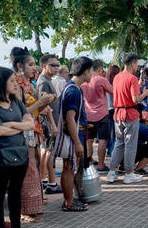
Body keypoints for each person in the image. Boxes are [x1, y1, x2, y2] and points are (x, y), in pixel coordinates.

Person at [0, 67, 35, 228]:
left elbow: (30, 124)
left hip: (20, 152)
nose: (16, 84)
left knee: (16, 192)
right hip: (0, 155)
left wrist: (11, 124)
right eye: (12, 81)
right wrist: (18, 125)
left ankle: (16, 227)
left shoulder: (17, 102)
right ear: (1, 83)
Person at [15, 48, 55, 223]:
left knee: (35, 168)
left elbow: (35, 108)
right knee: (29, 171)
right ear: (19, 66)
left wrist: (45, 103)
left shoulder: (30, 84)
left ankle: (34, 207)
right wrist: (40, 103)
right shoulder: (16, 84)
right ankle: (26, 211)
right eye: (30, 64)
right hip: (24, 132)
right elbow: (19, 113)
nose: (34, 68)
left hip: (35, 130)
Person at [52, 56, 93, 212]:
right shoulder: (73, 90)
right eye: (92, 72)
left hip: (72, 134)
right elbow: (69, 118)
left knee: (69, 168)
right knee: (68, 168)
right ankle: (68, 202)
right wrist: (78, 143)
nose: (92, 75)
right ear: (86, 71)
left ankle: (69, 199)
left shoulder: (72, 87)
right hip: (70, 136)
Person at [106, 53, 148, 184]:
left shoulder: (117, 77)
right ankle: (129, 173)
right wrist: (145, 93)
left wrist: (138, 85)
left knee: (119, 144)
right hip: (130, 114)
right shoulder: (131, 78)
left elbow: (124, 90)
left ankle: (112, 172)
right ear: (133, 63)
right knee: (130, 145)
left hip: (118, 113)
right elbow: (135, 99)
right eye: (137, 63)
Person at [81, 59, 113, 173]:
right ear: (99, 68)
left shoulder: (84, 81)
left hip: (88, 114)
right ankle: (100, 165)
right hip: (102, 114)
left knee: (89, 140)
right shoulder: (101, 79)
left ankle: (88, 162)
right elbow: (113, 91)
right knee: (102, 141)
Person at [37, 54, 62, 195]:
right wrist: (53, 125)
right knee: (49, 152)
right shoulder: (44, 82)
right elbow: (45, 108)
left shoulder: (47, 80)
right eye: (53, 65)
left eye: (57, 65)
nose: (56, 67)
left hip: (49, 123)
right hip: (48, 123)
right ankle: (51, 182)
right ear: (44, 66)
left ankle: (45, 179)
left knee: (46, 151)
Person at [105, 65, 120, 156]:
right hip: (114, 109)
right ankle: (112, 150)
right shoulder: (115, 83)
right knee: (114, 133)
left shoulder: (105, 81)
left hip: (106, 109)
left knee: (109, 131)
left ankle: (109, 149)